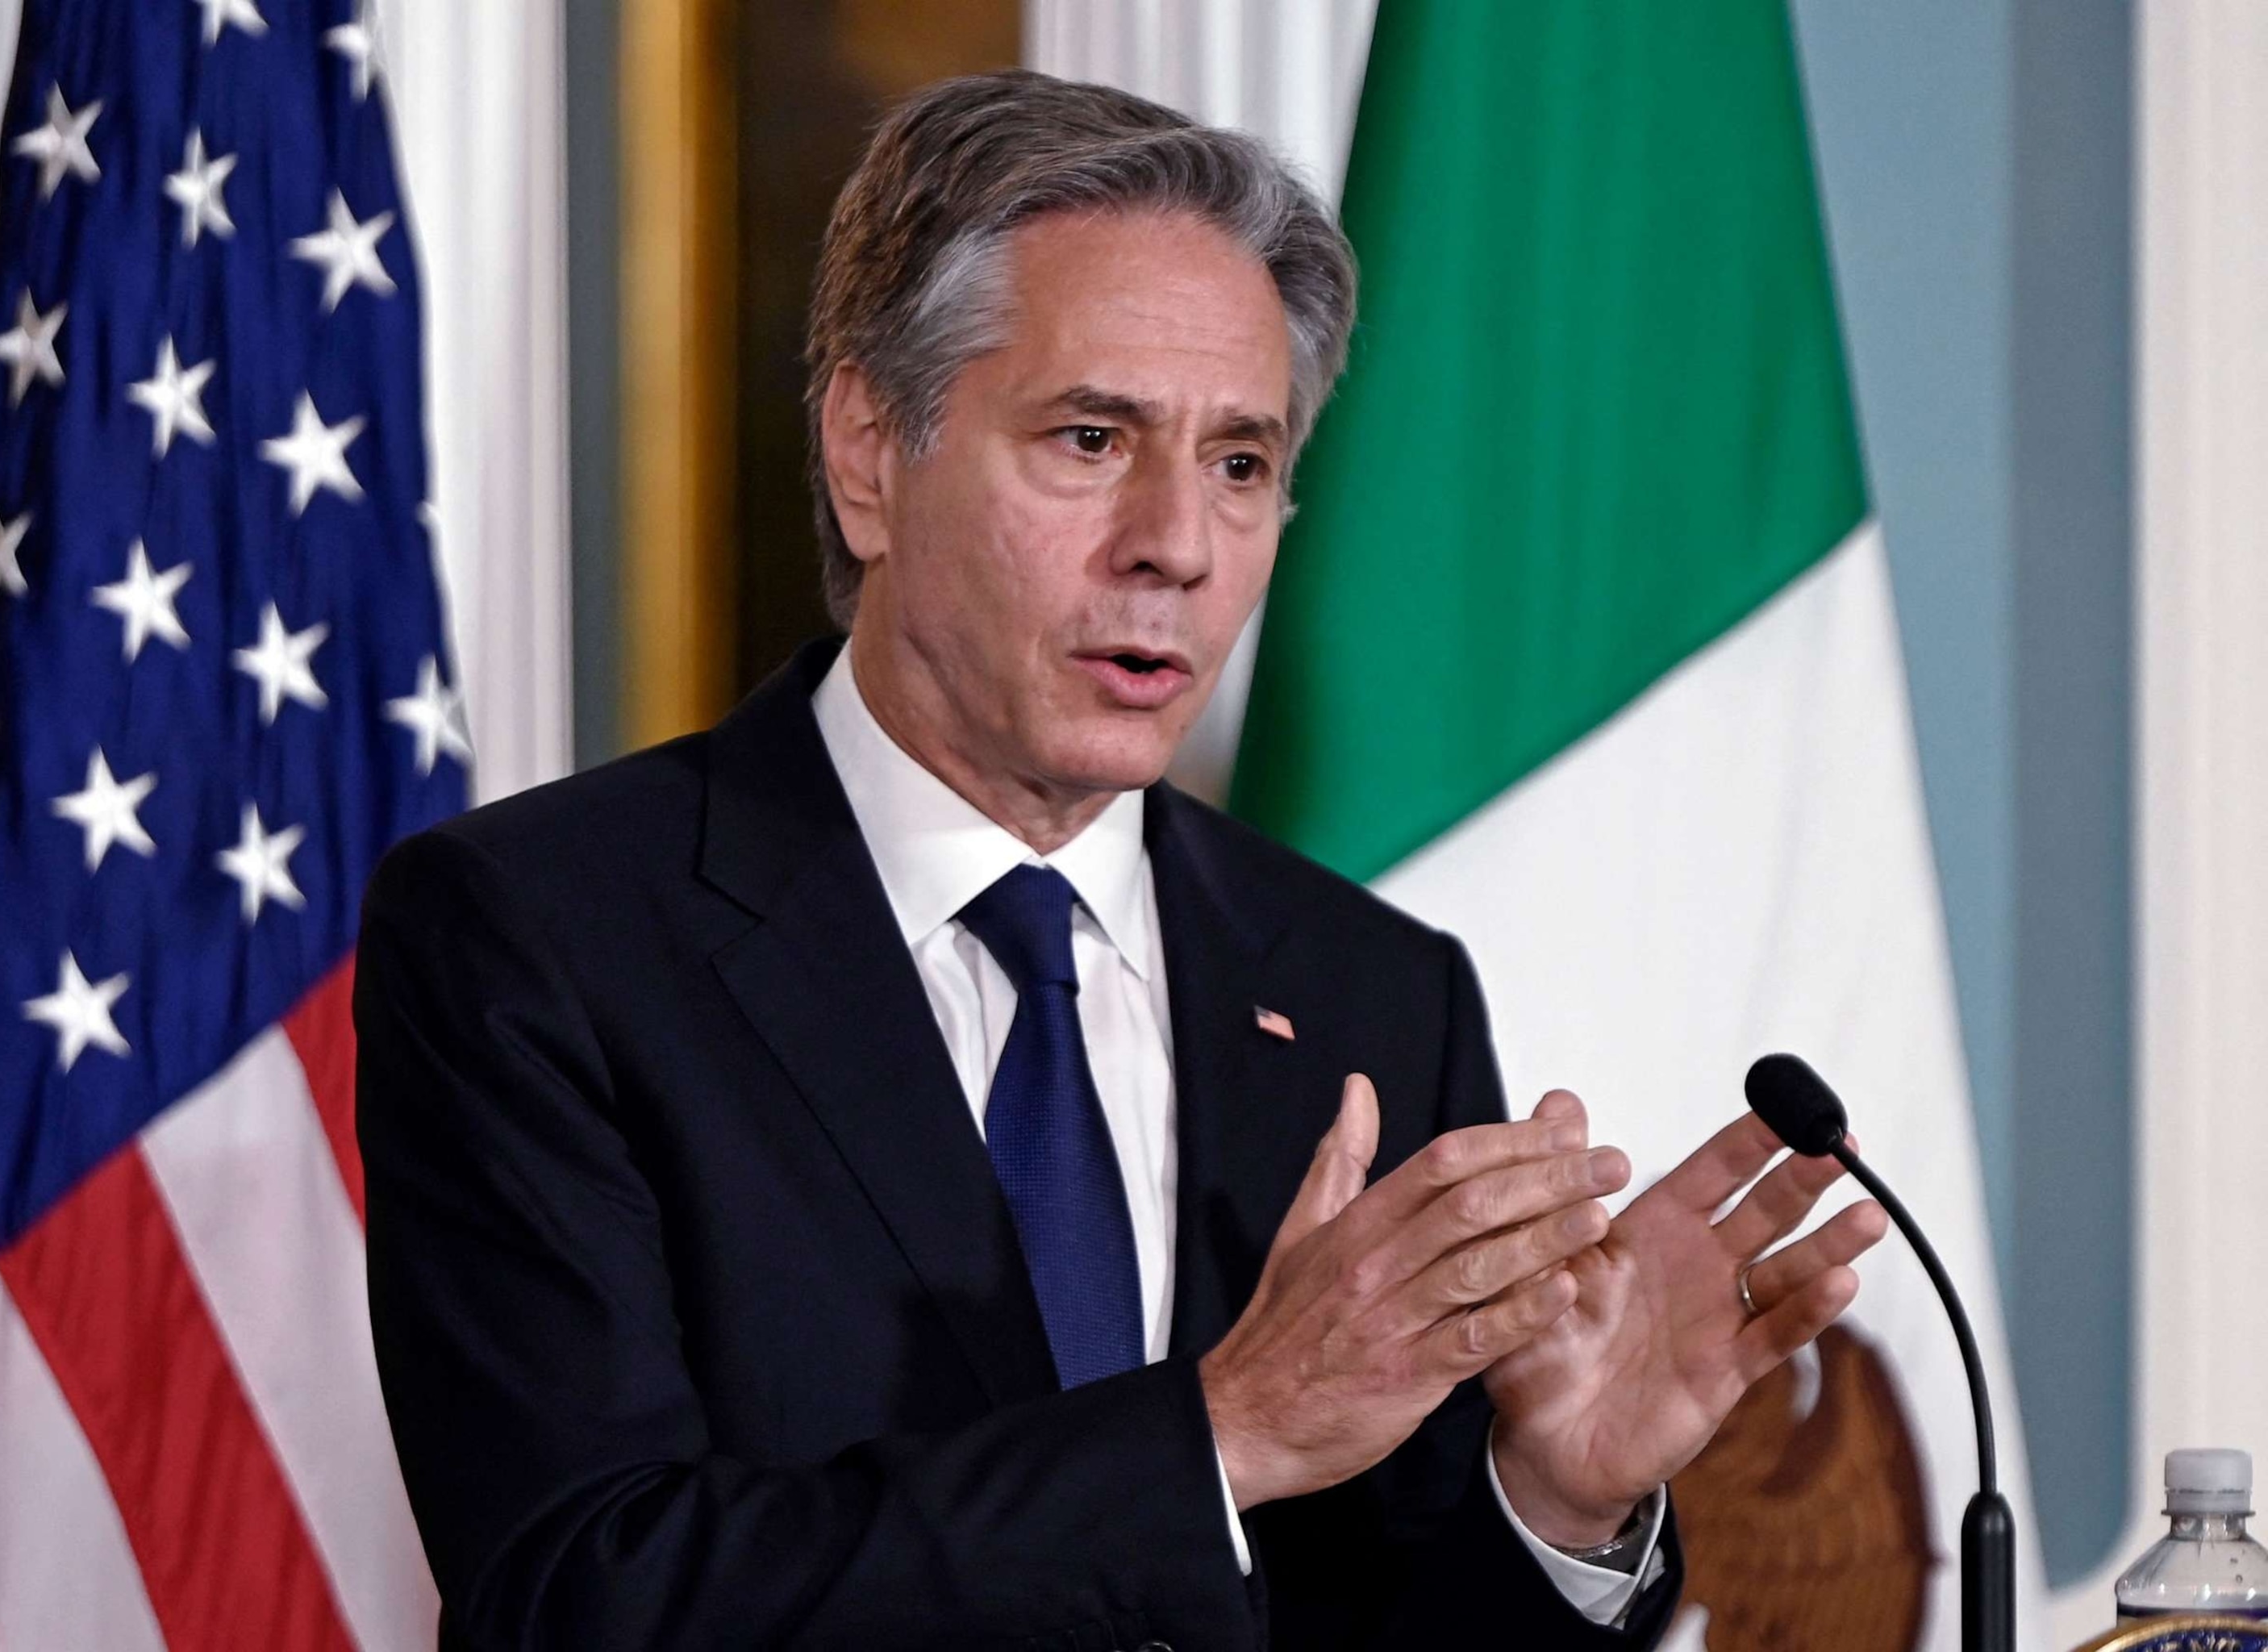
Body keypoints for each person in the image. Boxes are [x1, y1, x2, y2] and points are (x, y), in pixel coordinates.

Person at [355, 69, 1891, 1651]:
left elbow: (1383, 1616)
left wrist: (1553, 1505)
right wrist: (1216, 1433)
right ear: (871, 453)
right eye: (1092, 439)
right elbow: (579, 1593)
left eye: (1240, 461)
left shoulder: (1372, 988)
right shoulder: (544, 937)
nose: (1178, 541)